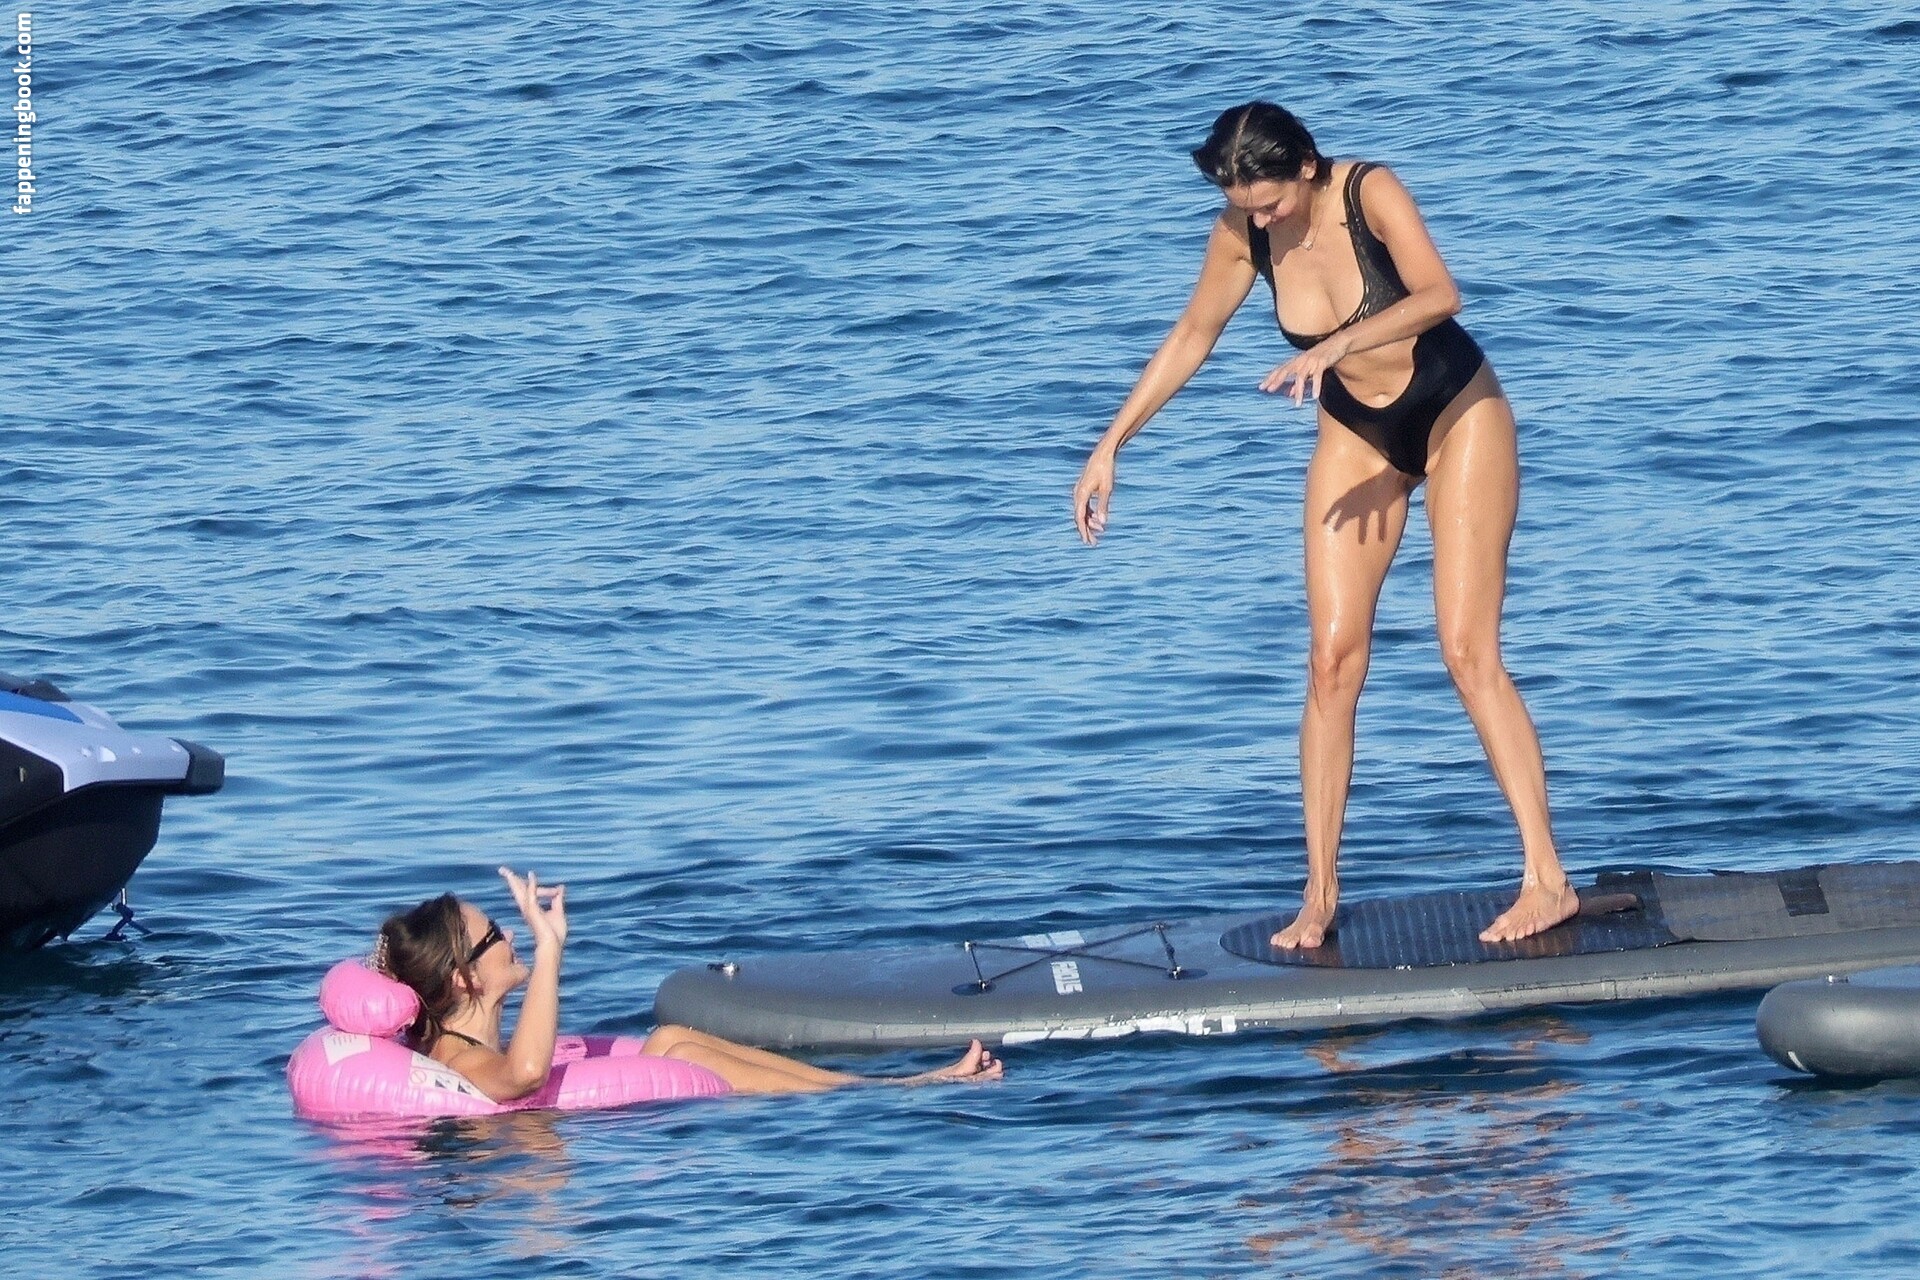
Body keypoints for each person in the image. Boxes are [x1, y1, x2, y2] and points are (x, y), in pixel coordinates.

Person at [1072, 101, 1577, 948]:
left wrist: (1335, 346)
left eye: (1269, 202)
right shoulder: (1242, 230)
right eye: (1245, 206)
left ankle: (1548, 880)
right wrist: (1110, 444)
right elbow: (1193, 333)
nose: (1260, 219)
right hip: (1357, 435)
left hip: (1456, 411)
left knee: (1466, 652)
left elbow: (1441, 294)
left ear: (1305, 165)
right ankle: (1319, 893)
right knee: (1331, 662)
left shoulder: (1368, 191)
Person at [374, 867, 1003, 1098]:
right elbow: (526, 1075)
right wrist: (550, 947)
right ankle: (900, 1089)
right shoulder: (457, 1060)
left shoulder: (463, 1043)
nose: (510, 933)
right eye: (494, 935)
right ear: (465, 977)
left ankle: (873, 1089)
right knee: (675, 1051)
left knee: (673, 1037)